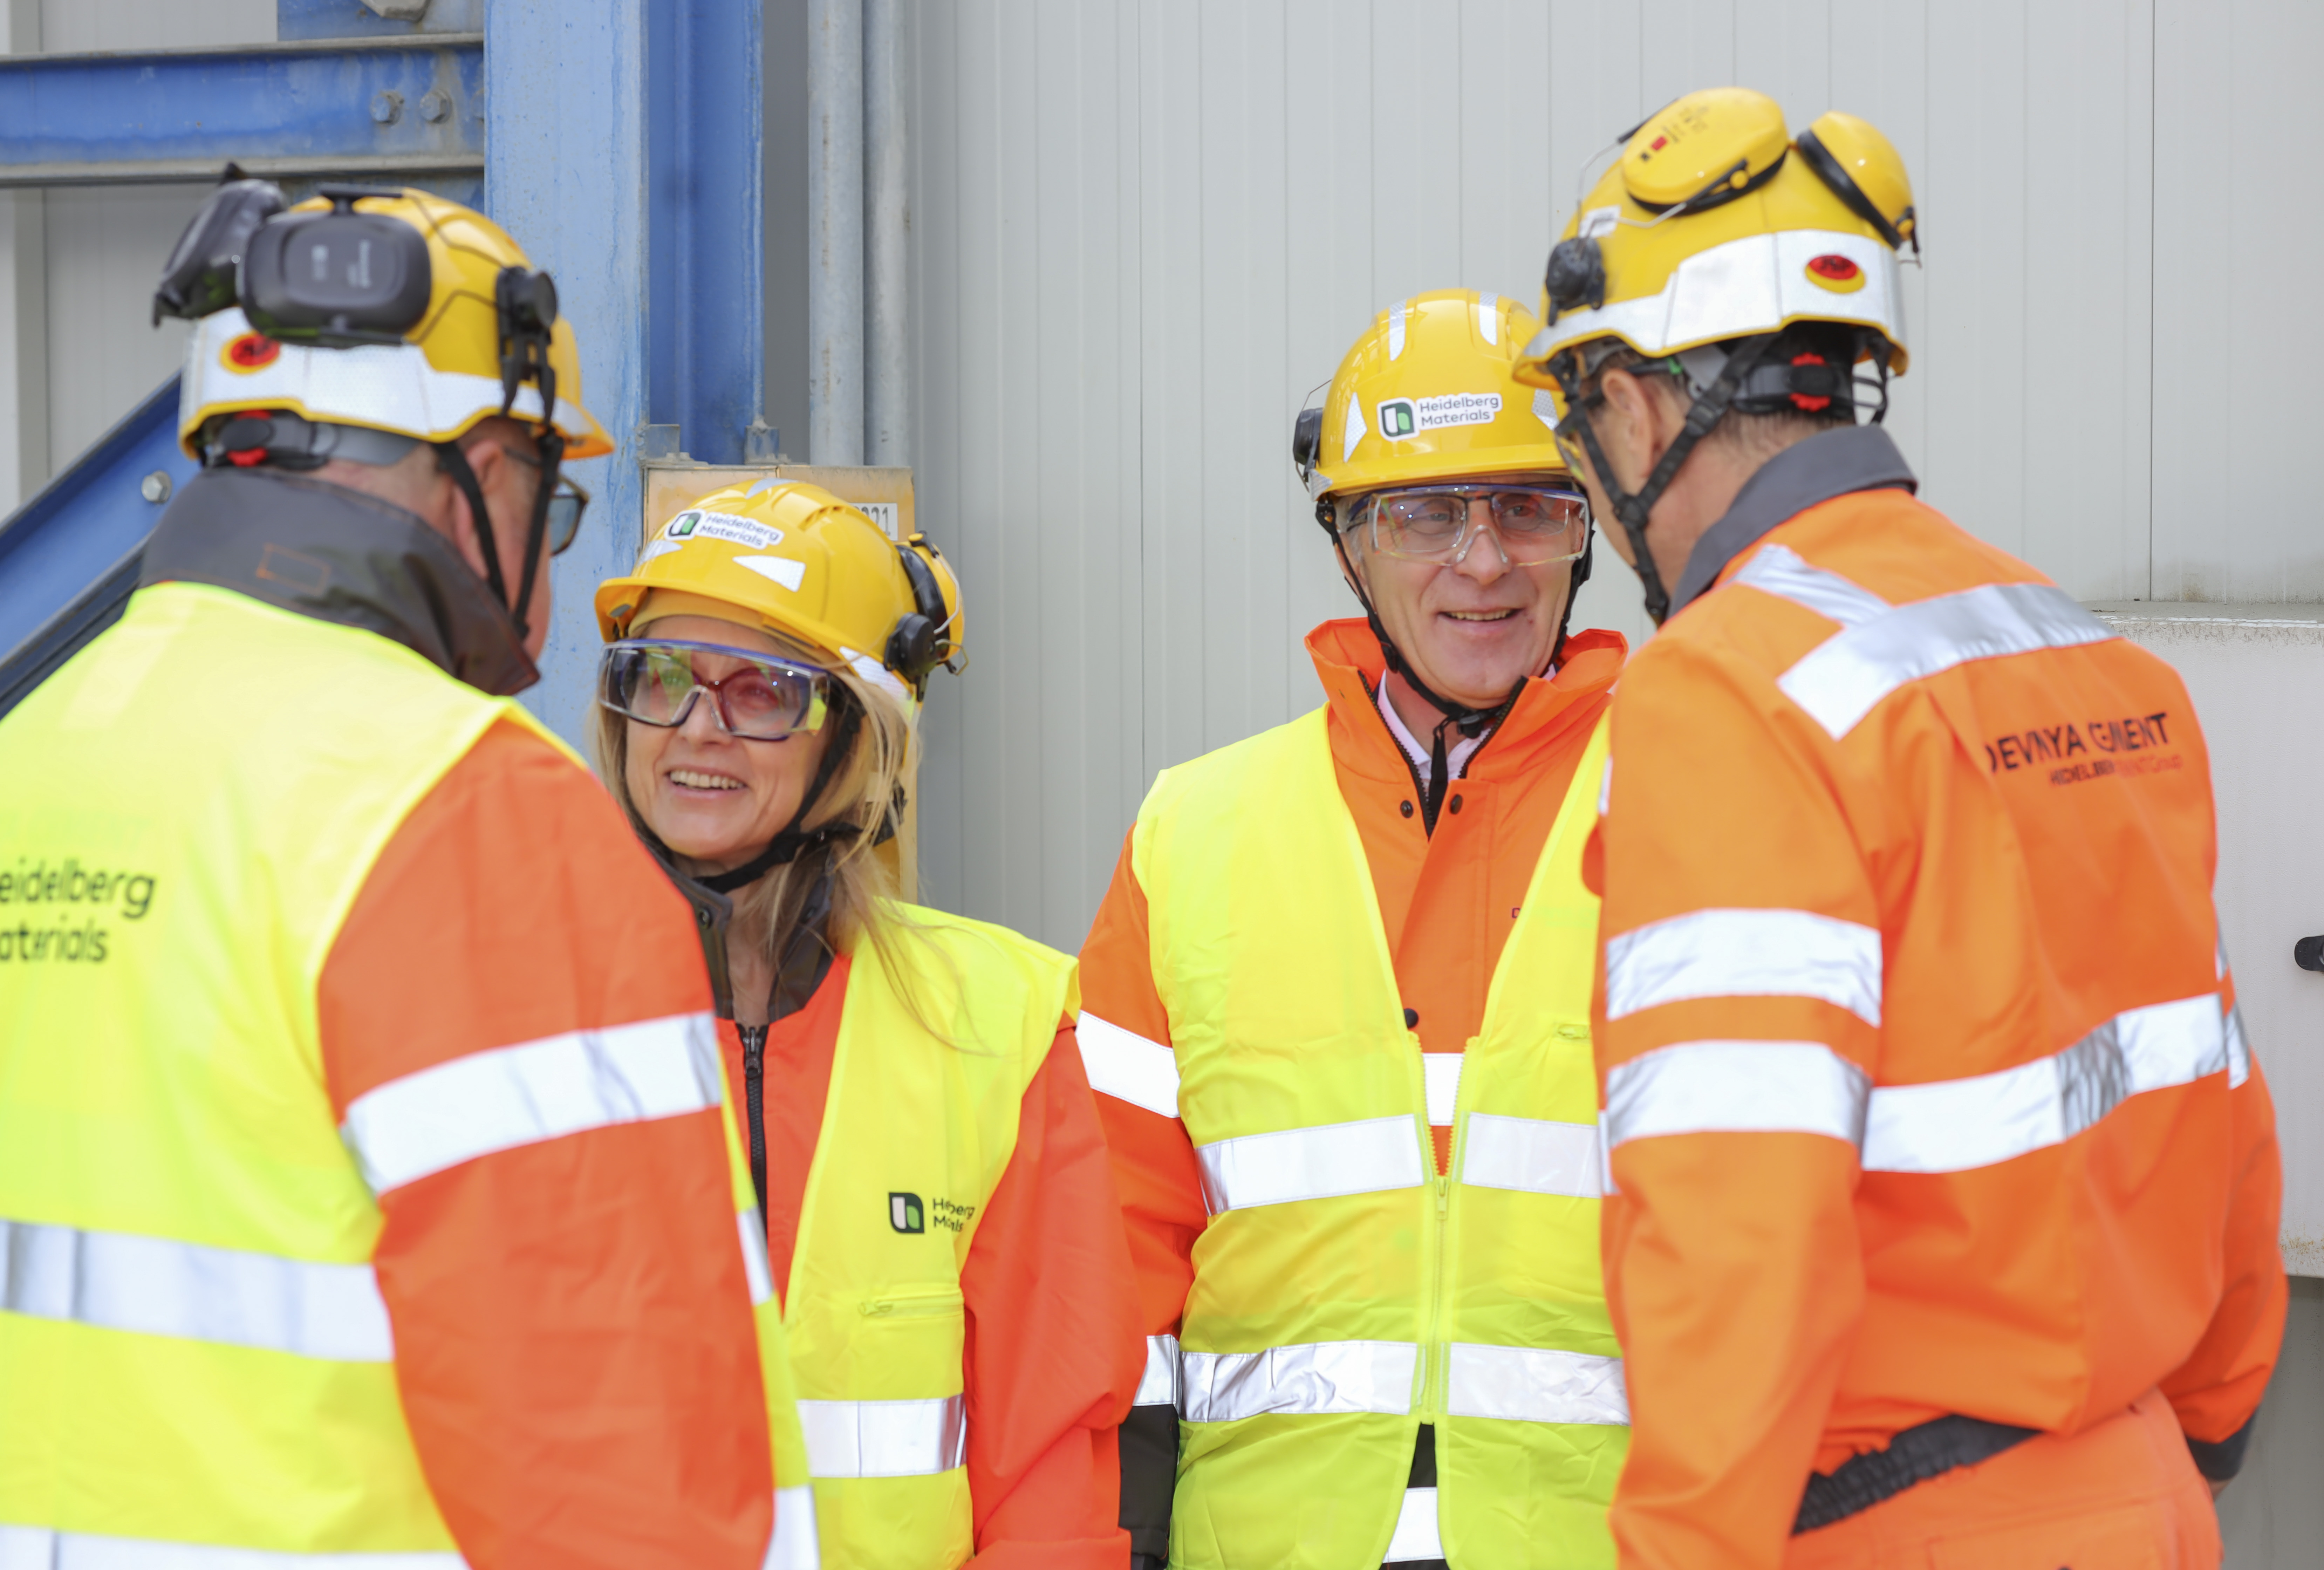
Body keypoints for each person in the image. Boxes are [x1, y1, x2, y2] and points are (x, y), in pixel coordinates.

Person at [0, 182, 812, 1567]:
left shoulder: (17, 766)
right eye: (553, 505)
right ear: (486, 471)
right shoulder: (471, 813)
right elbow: (618, 1474)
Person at [1517, 88, 2287, 1570]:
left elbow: (1738, 1212)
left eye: (1580, 426)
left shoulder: (1727, 691)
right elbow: (2218, 1104)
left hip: (1897, 1522)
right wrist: (2192, 1428)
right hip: (2144, 1497)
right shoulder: (2090, 660)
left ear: (1635, 403)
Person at [1081, 288, 1628, 1570]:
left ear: (1585, 532)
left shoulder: (1705, 800)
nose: (1482, 562)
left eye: (1528, 508)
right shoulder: (1194, 833)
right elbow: (1112, 1242)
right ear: (1347, 545)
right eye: (1424, 514)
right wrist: (1123, 1539)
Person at [588, 478, 1143, 1569]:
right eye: (661, 677)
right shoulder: (515, 1012)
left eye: (762, 690)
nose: (697, 727)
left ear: (854, 737)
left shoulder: (995, 1026)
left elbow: (1049, 1469)